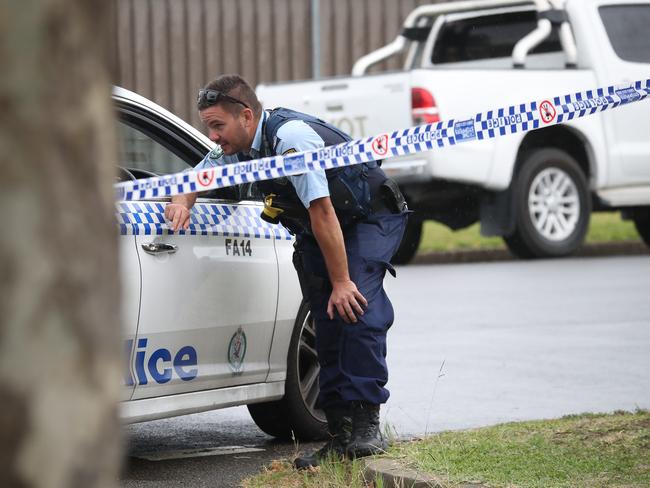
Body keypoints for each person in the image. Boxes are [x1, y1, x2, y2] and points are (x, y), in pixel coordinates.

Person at [165, 74, 408, 469]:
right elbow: (196, 176)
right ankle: (340, 434)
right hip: (320, 229)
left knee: (354, 307)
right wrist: (182, 203)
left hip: (366, 218)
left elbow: (323, 210)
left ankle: (367, 428)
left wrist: (342, 281)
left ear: (246, 116)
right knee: (325, 319)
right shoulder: (238, 146)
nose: (213, 137)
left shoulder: (292, 140)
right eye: (209, 127)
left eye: (217, 126)